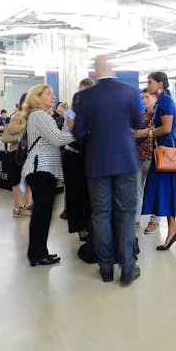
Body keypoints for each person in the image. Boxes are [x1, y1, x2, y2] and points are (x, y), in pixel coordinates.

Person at [72, 55, 145, 286]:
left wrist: (94, 145)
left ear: (95, 72)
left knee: (101, 214)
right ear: (112, 69)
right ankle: (127, 267)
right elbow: (138, 123)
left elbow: (78, 133)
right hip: (126, 161)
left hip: (97, 164)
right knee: (126, 214)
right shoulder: (129, 92)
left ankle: (105, 268)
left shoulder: (85, 97)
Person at [138, 71, 176, 252]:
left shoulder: (166, 102)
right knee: (167, 190)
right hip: (162, 151)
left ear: (160, 84)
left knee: (160, 189)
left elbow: (167, 128)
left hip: (166, 152)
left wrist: (146, 133)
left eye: (150, 82)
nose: (148, 85)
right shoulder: (162, 101)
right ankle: (172, 230)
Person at [21, 83, 74, 267]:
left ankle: (40, 252)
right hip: (41, 169)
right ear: (37, 97)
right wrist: (81, 134)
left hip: (44, 170)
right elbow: (58, 139)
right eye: (48, 94)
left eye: (53, 93)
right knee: (41, 214)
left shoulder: (42, 115)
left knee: (43, 213)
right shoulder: (39, 115)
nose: (53, 97)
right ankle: (36, 254)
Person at [60, 79, 94, 241]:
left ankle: (90, 227)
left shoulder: (93, 110)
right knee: (74, 194)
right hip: (73, 155)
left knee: (89, 193)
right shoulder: (72, 112)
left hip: (88, 156)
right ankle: (80, 228)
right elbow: (76, 135)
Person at [2, 94, 34, 217]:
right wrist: (26, 125)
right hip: (17, 151)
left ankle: (28, 205)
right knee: (16, 180)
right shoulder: (18, 115)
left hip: (28, 152)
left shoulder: (31, 115)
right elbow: (11, 129)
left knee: (29, 180)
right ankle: (18, 207)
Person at [137, 89, 160, 234]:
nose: (144, 100)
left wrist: (142, 132)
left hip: (156, 157)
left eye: (147, 97)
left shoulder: (160, 114)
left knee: (154, 189)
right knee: (137, 189)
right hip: (139, 156)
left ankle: (154, 220)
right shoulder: (140, 115)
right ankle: (135, 218)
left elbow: (158, 131)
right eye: (142, 98)